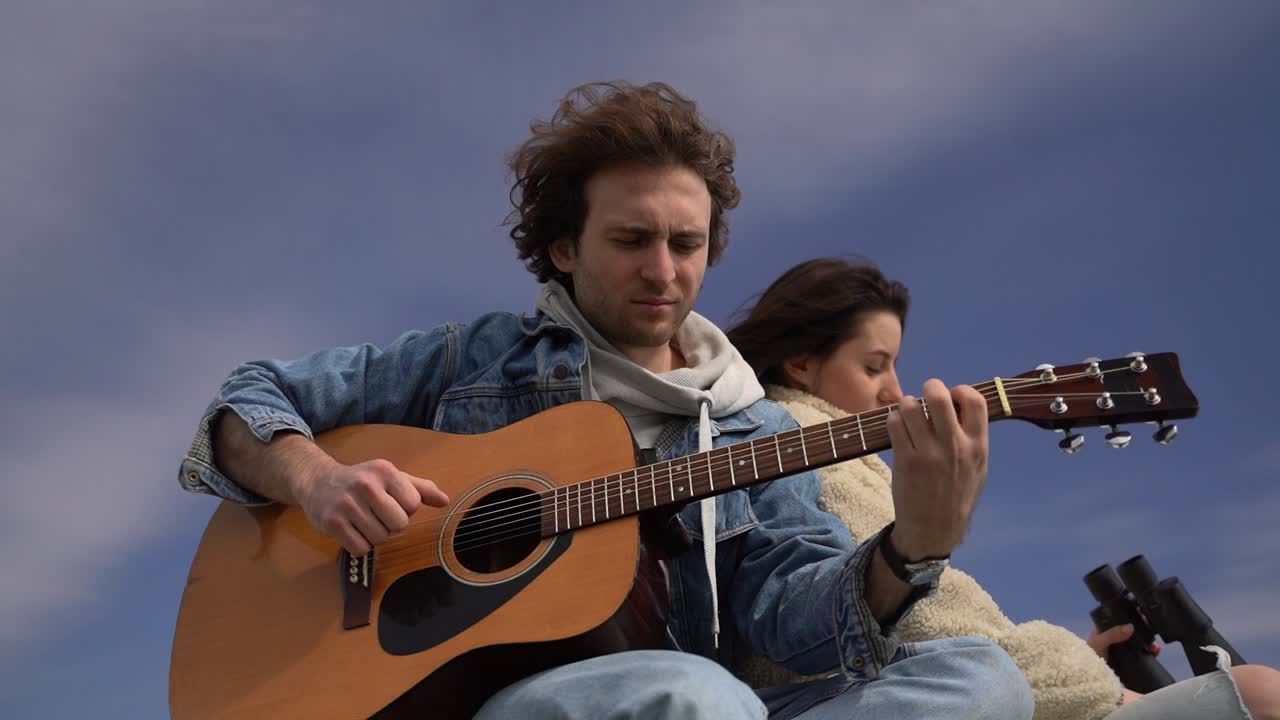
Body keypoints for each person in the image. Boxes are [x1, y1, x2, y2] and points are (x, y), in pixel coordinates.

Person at [176, 81, 1033, 720]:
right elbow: (245, 400)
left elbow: (790, 620)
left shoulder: (751, 427)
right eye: (632, 240)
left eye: (686, 243)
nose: (665, 272)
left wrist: (916, 547)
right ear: (563, 247)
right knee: (694, 694)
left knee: (981, 680)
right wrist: (319, 481)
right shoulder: (473, 359)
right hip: (497, 703)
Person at [725, 256, 1280, 720]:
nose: (896, 391)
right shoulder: (804, 437)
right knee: (1260, 694)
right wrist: (1100, 689)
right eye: (876, 366)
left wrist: (1079, 659)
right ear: (800, 362)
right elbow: (927, 622)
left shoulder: (805, 447)